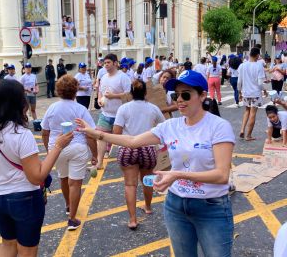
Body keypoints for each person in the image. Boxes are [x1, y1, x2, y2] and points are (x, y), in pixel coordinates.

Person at [76, 70, 235, 257]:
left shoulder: (218, 126)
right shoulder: (170, 126)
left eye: (186, 95)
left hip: (211, 207)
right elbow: (132, 141)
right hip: (176, 206)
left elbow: (222, 175)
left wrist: (177, 175)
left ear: (202, 96)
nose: (180, 100)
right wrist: (96, 134)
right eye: (176, 95)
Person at [0, 79, 73, 257]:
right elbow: (37, 177)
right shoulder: (21, 133)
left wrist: (1, 170)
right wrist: (58, 146)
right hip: (24, 198)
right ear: (19, 103)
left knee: (8, 244)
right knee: (27, 250)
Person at [41, 75, 97, 230]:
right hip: (77, 147)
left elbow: (45, 132)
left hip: (57, 148)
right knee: (75, 183)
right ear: (75, 90)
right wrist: (95, 155)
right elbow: (90, 134)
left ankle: (67, 205)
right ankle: (72, 218)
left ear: (58, 90)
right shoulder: (81, 109)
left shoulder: (52, 108)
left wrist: (49, 151)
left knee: (63, 178)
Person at [114, 80, 165, 229]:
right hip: (147, 148)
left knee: (130, 184)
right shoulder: (153, 108)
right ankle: (148, 207)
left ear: (130, 93)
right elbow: (163, 127)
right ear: (145, 93)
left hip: (128, 148)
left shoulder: (123, 108)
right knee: (147, 180)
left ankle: (132, 219)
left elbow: (116, 132)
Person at [95, 53, 131, 170]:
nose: (106, 65)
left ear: (115, 63)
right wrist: (100, 99)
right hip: (105, 113)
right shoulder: (104, 77)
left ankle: (127, 163)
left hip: (120, 115)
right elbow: (101, 91)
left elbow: (129, 95)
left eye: (108, 63)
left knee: (123, 141)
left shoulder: (123, 77)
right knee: (100, 136)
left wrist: (114, 96)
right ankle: (99, 162)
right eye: (104, 63)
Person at [238, 47, 267, 141]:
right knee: (253, 113)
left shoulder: (242, 65)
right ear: (258, 55)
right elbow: (260, 83)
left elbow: (239, 81)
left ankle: (242, 130)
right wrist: (265, 90)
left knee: (246, 111)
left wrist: (239, 92)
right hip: (255, 93)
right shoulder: (259, 66)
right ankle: (248, 135)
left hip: (246, 92)